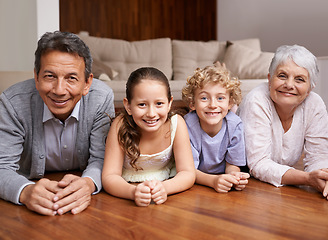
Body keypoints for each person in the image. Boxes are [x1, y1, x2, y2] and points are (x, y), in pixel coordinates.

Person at [0, 31, 115, 215]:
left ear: (87, 83)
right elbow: (2, 166)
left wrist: (88, 183)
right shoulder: (12, 102)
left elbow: (102, 158)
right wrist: (25, 191)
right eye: (50, 76)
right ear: (36, 78)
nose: (59, 90)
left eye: (71, 78)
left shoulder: (101, 99)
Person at [237, 44, 328, 200]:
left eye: (299, 79)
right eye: (282, 75)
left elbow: (320, 154)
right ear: (269, 79)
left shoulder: (315, 103)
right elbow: (258, 163)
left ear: (310, 88)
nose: (289, 85)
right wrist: (308, 179)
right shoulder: (256, 100)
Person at [102, 67, 195, 206]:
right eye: (142, 104)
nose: (151, 113)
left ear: (169, 103)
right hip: (125, 189)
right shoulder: (119, 125)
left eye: (159, 104)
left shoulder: (176, 124)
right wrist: (132, 192)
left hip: (167, 189)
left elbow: (187, 173)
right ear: (128, 106)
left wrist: (165, 188)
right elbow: (109, 176)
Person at [182, 64, 250, 193]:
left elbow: (232, 164)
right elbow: (188, 170)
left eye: (220, 98)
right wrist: (213, 181)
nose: (213, 105)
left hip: (221, 178)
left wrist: (233, 177)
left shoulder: (235, 125)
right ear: (192, 103)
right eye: (204, 98)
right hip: (196, 184)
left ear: (230, 103)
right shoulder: (188, 126)